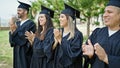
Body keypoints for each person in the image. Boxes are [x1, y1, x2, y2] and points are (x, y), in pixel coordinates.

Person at [82, 0, 120, 68]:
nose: (104, 15)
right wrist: (90, 55)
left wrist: (106, 58)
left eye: (110, 12)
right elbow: (88, 58)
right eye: (104, 12)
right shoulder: (97, 33)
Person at [46, 3, 83, 68]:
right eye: (59, 17)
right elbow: (48, 51)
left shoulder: (77, 35)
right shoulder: (59, 31)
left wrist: (60, 40)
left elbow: (73, 55)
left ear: (69, 19)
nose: (59, 19)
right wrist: (55, 43)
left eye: (62, 17)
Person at [9, 1, 36, 68]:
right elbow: (12, 41)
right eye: (17, 10)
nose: (18, 12)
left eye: (19, 10)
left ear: (25, 12)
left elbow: (23, 40)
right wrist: (12, 32)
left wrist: (15, 31)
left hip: (25, 54)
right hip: (16, 52)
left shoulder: (31, 24)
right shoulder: (17, 23)